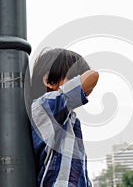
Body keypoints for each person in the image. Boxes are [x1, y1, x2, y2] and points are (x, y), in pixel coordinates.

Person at [29, 48, 99, 187]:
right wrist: (83, 79)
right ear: (49, 80)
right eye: (73, 77)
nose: (78, 81)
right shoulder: (46, 107)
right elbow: (92, 76)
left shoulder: (66, 117)